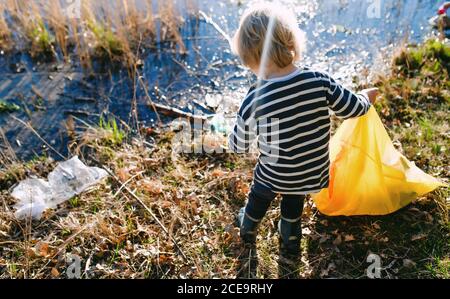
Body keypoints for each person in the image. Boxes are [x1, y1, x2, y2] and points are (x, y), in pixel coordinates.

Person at [228, 3, 378, 273]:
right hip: (310, 172)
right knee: (293, 200)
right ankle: (291, 241)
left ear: (250, 56)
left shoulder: (255, 97)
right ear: (290, 41)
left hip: (275, 172)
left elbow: (238, 145)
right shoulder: (319, 80)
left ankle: (248, 228)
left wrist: (233, 133)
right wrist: (366, 97)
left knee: (260, 191)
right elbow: (353, 108)